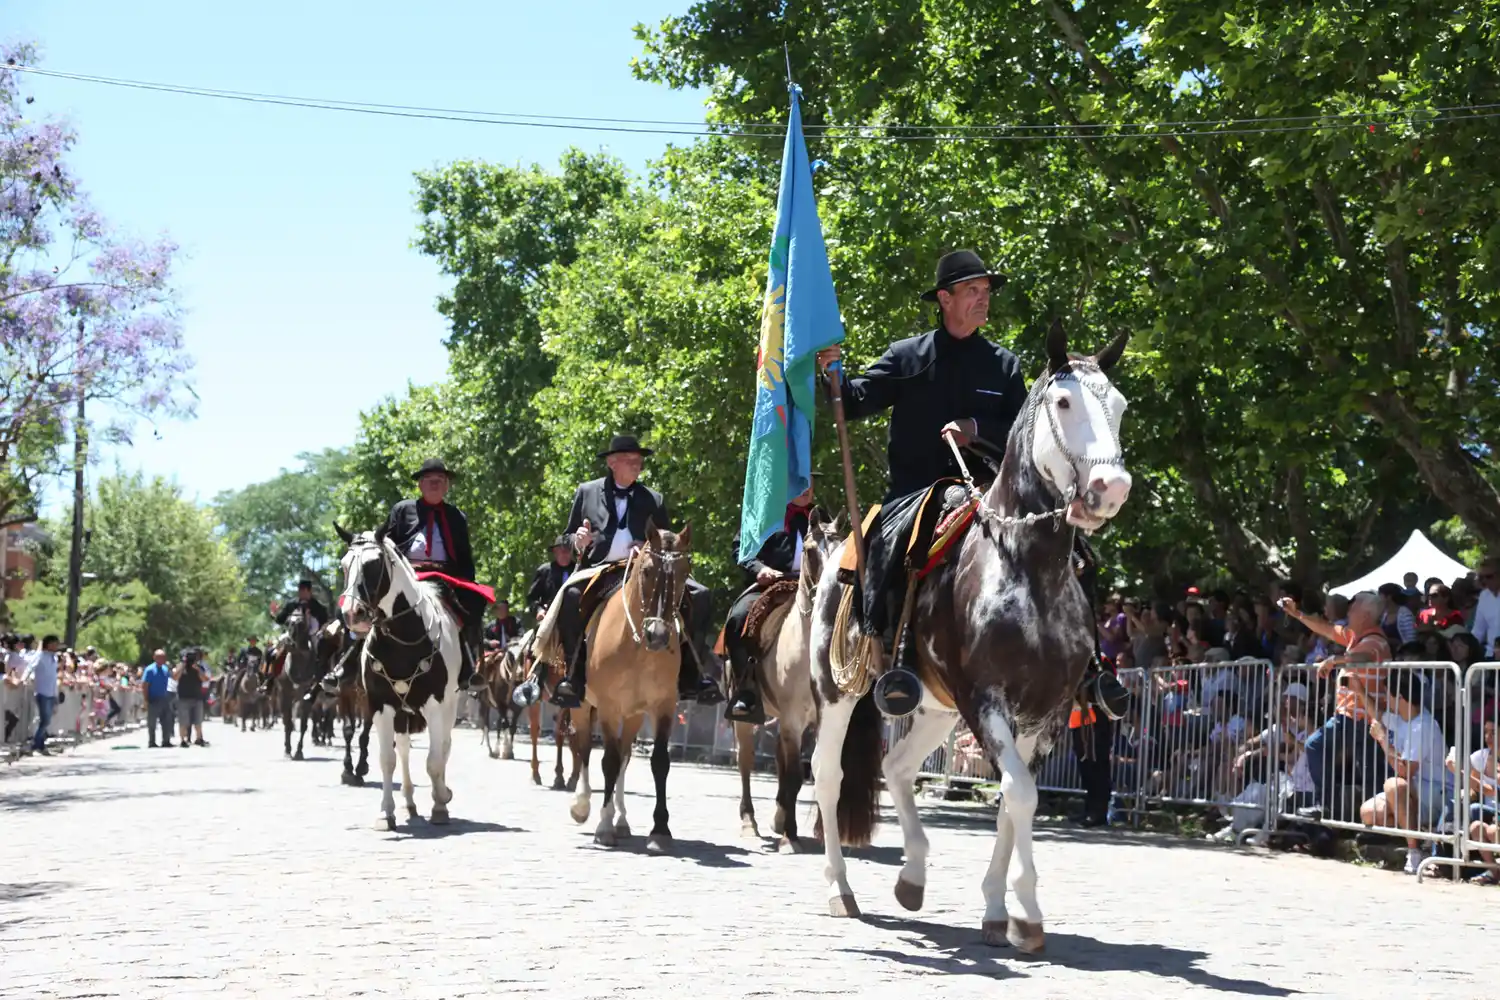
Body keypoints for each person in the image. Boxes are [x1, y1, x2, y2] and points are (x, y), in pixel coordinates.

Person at [815, 249, 1127, 720]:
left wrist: (976, 426)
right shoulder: (908, 356)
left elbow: (1026, 432)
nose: (983, 300)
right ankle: (881, 648)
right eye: (973, 291)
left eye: (986, 292)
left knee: (1080, 554)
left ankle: (1091, 668)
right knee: (888, 544)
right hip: (917, 491)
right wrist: (832, 373)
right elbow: (855, 401)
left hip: (988, 491)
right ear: (945, 298)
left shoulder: (1003, 365)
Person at [546, 434, 722, 710]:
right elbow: (567, 535)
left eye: (639, 461)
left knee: (700, 595)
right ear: (612, 462)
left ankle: (694, 674)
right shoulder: (587, 491)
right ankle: (572, 675)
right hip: (600, 569)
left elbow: (667, 539)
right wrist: (577, 539)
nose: (637, 466)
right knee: (570, 595)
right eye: (631, 461)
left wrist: (649, 545)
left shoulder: (653, 498)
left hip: (644, 570)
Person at [380, 458, 489, 691]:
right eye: (429, 480)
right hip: (407, 574)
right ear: (420, 484)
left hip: (444, 577)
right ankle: (360, 663)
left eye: (440, 480)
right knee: (369, 602)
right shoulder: (402, 510)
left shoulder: (456, 516)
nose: (435, 484)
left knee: (475, 601)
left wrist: (468, 582)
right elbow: (386, 545)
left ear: (447, 486)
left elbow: (464, 556)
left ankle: (467, 667)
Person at [722, 479, 824, 724]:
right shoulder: (764, 515)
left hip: (816, 587)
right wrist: (760, 569)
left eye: (809, 484)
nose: (806, 489)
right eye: (800, 483)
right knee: (738, 619)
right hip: (773, 585)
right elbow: (741, 549)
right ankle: (746, 691)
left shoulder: (821, 517)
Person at [265, 580, 329, 690]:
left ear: (309, 591)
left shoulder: (317, 606)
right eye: (300, 591)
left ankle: (321, 679)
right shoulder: (292, 604)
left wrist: (322, 630)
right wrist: (274, 614)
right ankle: (269, 680)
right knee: (273, 652)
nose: (301, 593)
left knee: (323, 650)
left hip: (311, 634)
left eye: (304, 591)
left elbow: (325, 621)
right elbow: (280, 620)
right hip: (291, 635)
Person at [21, 635, 61, 756]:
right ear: (48, 644)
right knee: (45, 720)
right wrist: (24, 679)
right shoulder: (40, 655)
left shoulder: (54, 658)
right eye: (54, 643)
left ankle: (40, 745)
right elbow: (30, 667)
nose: (56, 646)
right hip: (42, 692)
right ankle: (36, 745)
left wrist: (56, 694)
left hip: (51, 692)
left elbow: (53, 677)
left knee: (46, 721)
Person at [527, 535, 575, 623]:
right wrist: (539, 610)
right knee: (541, 635)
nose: (565, 553)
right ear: (555, 552)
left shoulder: (578, 570)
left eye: (568, 550)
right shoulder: (544, 571)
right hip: (550, 616)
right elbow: (532, 598)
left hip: (575, 616)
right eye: (562, 550)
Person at [174, 648, 209, 748]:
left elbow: (205, 679)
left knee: (198, 720)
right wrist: (183, 666)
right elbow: (175, 677)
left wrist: (197, 670)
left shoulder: (199, 668)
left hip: (197, 698)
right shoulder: (180, 667)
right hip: (183, 698)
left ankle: (199, 738)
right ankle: (183, 740)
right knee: (183, 721)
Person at [142, 649, 174, 748]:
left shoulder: (165, 669)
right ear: (154, 658)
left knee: (167, 721)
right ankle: (152, 741)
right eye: (159, 657)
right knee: (152, 722)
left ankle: (166, 741)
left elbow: (171, 680)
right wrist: (146, 699)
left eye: (164, 657)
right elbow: (145, 685)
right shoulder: (150, 669)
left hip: (165, 698)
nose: (162, 659)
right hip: (153, 699)